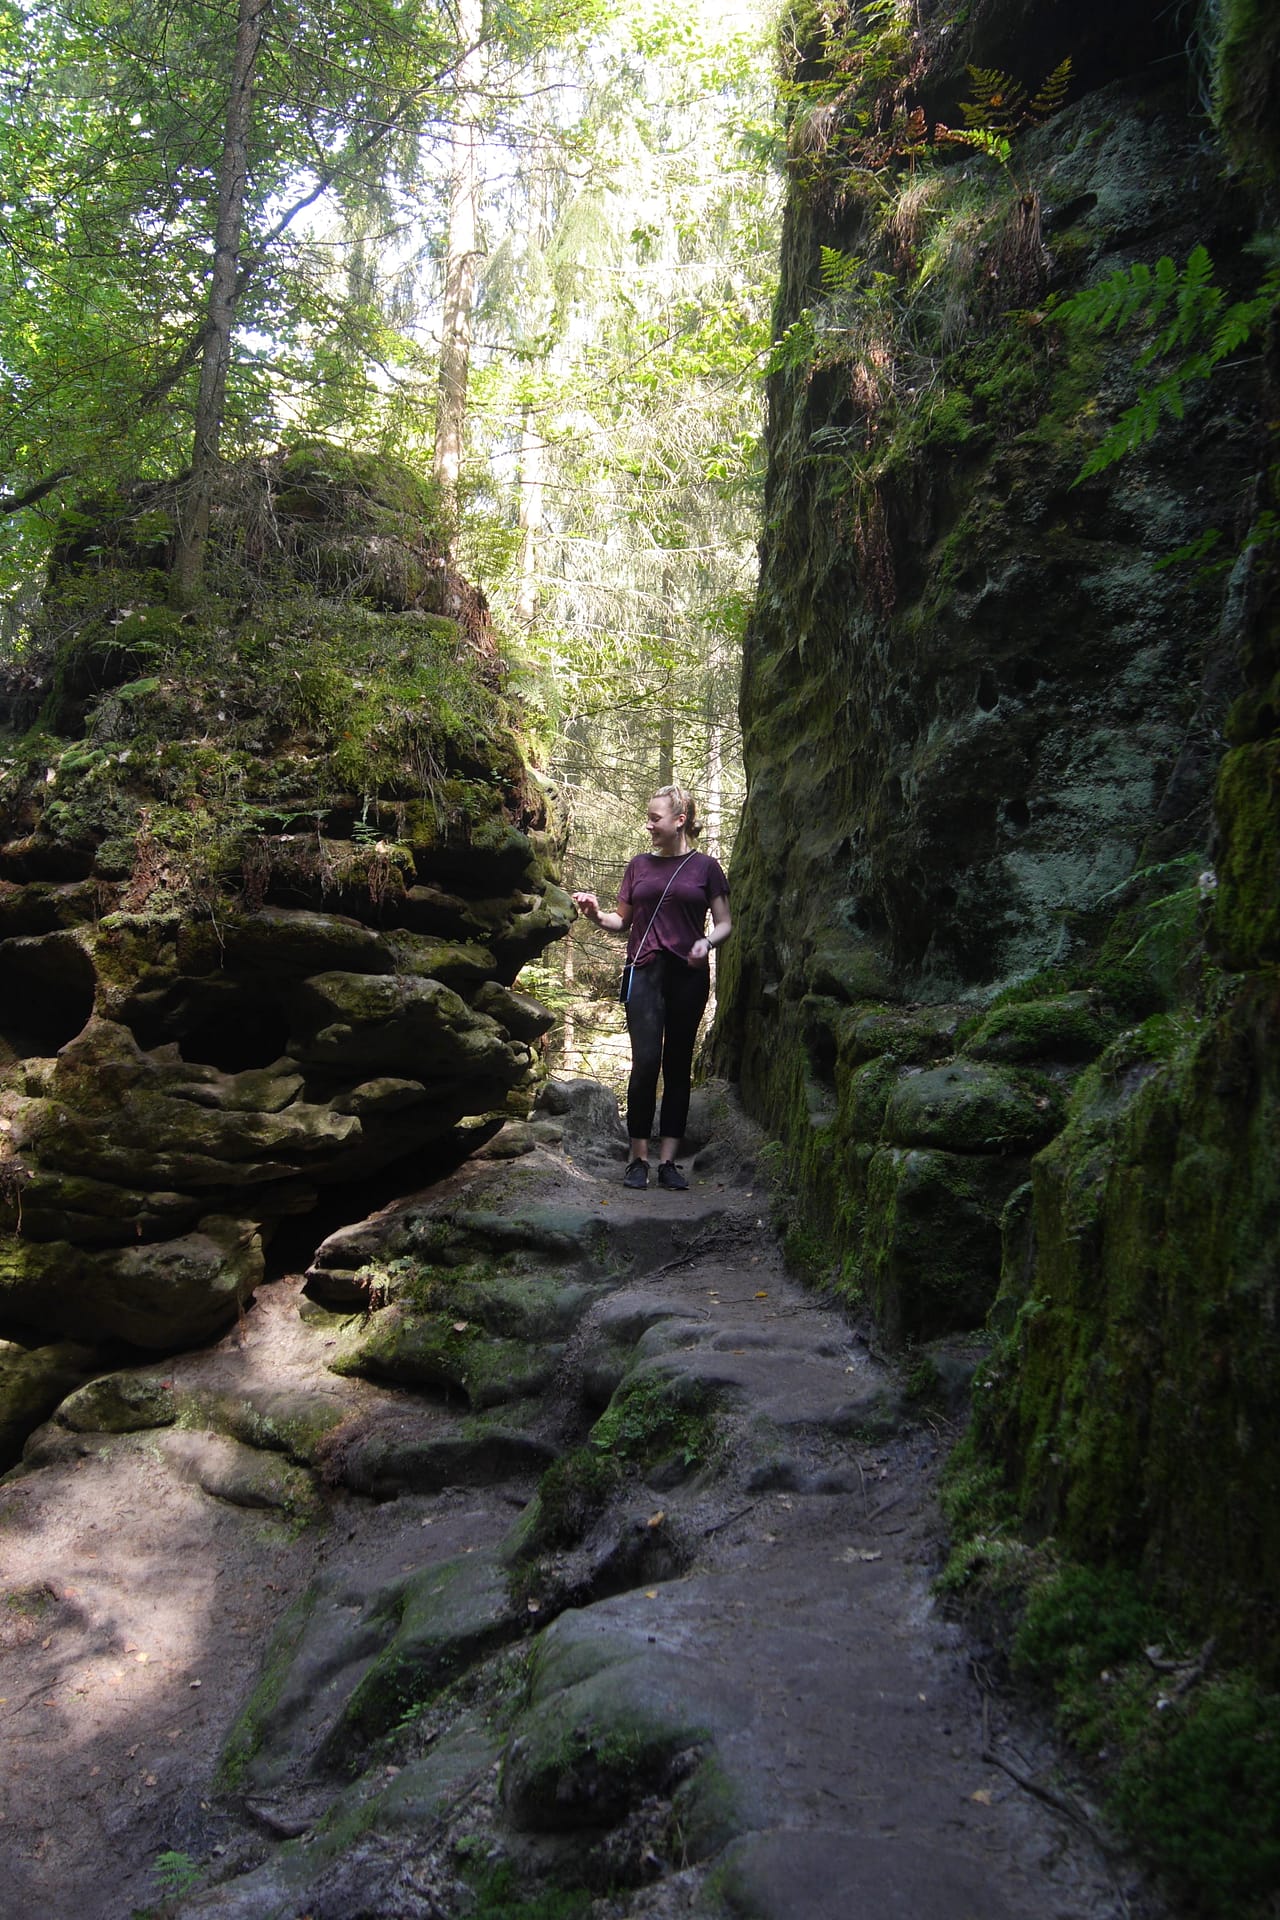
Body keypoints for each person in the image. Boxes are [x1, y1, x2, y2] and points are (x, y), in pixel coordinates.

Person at [572, 784, 731, 1190]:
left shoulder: (706, 868)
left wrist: (706, 942)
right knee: (645, 1062)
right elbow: (619, 921)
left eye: (655, 818)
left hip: (688, 975)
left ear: (679, 821)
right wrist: (594, 913)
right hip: (643, 970)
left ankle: (668, 1163)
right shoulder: (638, 865)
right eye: (648, 817)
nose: (649, 826)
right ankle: (637, 1157)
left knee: (677, 1065)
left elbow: (725, 923)